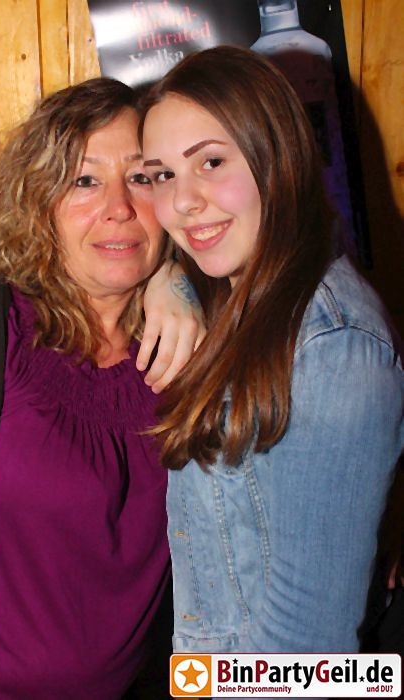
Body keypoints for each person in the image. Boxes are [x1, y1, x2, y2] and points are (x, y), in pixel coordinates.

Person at [0, 77, 204, 700]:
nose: (119, 207)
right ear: (38, 201)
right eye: (85, 180)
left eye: (141, 178)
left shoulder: (189, 341)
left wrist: (180, 274)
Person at [140, 44, 404, 661]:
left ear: (276, 155)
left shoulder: (334, 349)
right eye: (162, 175)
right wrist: (169, 278)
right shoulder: (244, 294)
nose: (182, 201)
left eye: (210, 162)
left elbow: (304, 654)